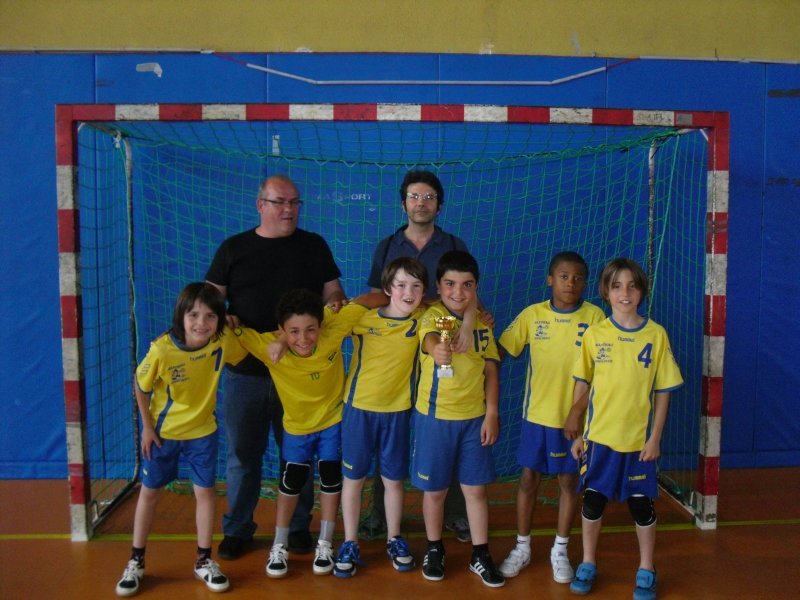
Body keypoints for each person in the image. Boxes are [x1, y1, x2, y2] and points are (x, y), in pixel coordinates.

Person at [206, 174, 346, 560]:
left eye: (294, 202)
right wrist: (223, 316)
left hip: (300, 377)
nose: (289, 209)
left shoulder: (313, 245)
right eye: (280, 202)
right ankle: (238, 529)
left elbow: (333, 289)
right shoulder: (233, 249)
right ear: (260, 205)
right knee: (242, 457)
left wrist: (335, 300)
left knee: (298, 455)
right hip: (246, 375)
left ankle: (299, 527)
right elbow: (210, 299)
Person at [234, 288, 388, 578]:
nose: (303, 339)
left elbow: (371, 299)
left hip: (333, 422)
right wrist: (229, 320)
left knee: (330, 478)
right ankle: (280, 544)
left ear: (321, 325)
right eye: (293, 332)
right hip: (297, 429)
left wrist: (408, 300)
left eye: (310, 330)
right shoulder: (267, 345)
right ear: (281, 330)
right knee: (291, 482)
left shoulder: (334, 325)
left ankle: (326, 543)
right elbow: (223, 333)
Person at [115, 283, 248, 596]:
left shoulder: (223, 340)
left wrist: (236, 324)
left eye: (210, 316)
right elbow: (141, 386)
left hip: (202, 432)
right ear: (181, 316)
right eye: (194, 315)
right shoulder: (162, 349)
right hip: (164, 435)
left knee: (205, 493)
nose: (202, 323)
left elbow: (245, 347)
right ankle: (136, 560)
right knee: (150, 493)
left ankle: (203, 560)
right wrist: (147, 428)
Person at [564, 257, 683, 600]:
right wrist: (580, 432)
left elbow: (663, 391)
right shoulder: (595, 334)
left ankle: (646, 568)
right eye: (617, 286)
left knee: (641, 507)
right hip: (599, 440)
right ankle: (588, 562)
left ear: (642, 290)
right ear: (606, 291)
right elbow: (583, 383)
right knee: (592, 503)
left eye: (632, 286)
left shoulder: (655, 335)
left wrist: (655, 438)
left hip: (637, 443)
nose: (625, 293)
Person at [363, 169, 472, 543]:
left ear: (439, 205)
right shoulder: (387, 246)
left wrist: (473, 318)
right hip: (395, 349)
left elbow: (467, 292)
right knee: (387, 427)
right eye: (414, 196)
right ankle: (378, 513)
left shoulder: (454, 244)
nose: (421, 203)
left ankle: (454, 512)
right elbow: (376, 297)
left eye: (428, 197)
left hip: (440, 345)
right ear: (403, 202)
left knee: (449, 422)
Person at [496, 251, 605, 583]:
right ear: (550, 280)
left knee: (569, 482)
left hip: (575, 421)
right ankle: (522, 547)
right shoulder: (533, 315)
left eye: (578, 278)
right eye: (563, 276)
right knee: (528, 479)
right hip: (536, 417)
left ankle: (560, 550)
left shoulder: (596, 316)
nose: (570, 283)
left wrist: (577, 411)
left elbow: (604, 371)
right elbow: (500, 351)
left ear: (586, 283)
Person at [412, 250, 505, 588]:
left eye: (467, 285)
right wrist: (437, 349)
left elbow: (491, 370)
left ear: (476, 287)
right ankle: (434, 548)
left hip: (474, 420)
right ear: (438, 286)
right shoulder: (432, 316)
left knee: (475, 491)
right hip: (435, 418)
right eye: (450, 284)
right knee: (435, 491)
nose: (458, 292)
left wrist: (491, 413)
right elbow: (429, 339)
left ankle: (480, 554)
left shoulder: (483, 324)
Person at [333, 257, 429, 578]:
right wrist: (342, 305)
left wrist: (474, 314)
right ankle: (350, 541)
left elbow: (450, 308)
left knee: (393, 481)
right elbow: (329, 323)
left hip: (398, 412)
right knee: (354, 479)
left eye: (416, 286)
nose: (408, 292)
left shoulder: (424, 319)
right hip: (358, 409)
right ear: (387, 288)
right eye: (400, 285)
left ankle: (394, 538)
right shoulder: (362, 318)